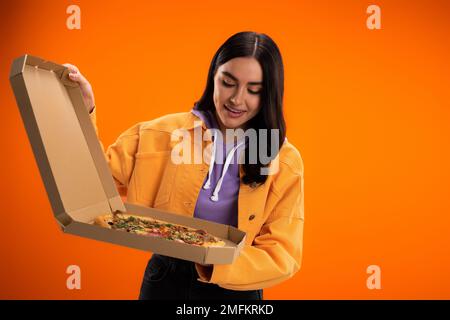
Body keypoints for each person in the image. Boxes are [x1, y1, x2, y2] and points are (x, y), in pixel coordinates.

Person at [64, 31, 304, 300]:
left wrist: (211, 262)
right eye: (228, 82)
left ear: (269, 93)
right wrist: (82, 110)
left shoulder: (284, 162)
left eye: (253, 90)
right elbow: (92, 183)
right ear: (213, 76)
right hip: (166, 279)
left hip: (237, 291)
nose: (237, 99)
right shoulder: (163, 134)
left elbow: (282, 253)